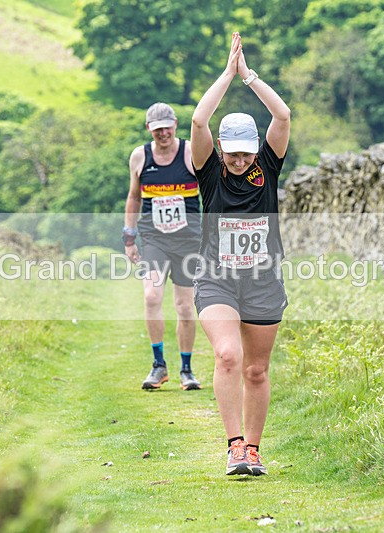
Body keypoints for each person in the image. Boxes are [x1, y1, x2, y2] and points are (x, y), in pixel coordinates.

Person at [190, 32, 290, 476]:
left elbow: (282, 115)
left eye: (246, 153)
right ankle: (233, 447)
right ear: (221, 149)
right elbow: (198, 122)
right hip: (217, 280)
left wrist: (249, 76)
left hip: (263, 282)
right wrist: (227, 75)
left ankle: (253, 449)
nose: (239, 160)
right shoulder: (210, 173)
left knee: (255, 370)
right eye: (232, 153)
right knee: (228, 355)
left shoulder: (268, 166)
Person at [124, 102, 203, 391]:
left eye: (167, 128)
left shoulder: (191, 152)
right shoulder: (140, 156)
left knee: (184, 306)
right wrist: (129, 237)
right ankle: (159, 365)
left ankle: (186, 369)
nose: (163, 134)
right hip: (154, 239)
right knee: (151, 297)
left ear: (175, 124)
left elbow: (211, 190)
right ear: (149, 129)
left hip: (188, 240)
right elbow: (134, 197)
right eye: (157, 129)